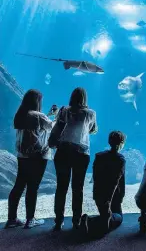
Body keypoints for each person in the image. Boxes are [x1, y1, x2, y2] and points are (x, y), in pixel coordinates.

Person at [5, 89, 58, 229]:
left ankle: (11, 219)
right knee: (33, 187)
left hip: (23, 156)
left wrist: (49, 115)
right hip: (37, 156)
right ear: (37, 101)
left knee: (19, 185)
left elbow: (37, 127)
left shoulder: (21, 115)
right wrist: (57, 116)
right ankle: (30, 219)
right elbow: (51, 127)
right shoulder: (38, 116)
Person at [52, 87, 98, 231]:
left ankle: (58, 220)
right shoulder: (90, 113)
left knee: (61, 187)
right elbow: (93, 129)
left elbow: (58, 126)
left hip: (63, 151)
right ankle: (76, 220)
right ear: (85, 98)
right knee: (77, 188)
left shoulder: (63, 110)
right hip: (81, 153)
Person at [80, 131, 126, 237]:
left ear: (109, 141)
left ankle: (93, 221)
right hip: (112, 196)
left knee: (107, 215)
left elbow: (95, 176)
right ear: (122, 143)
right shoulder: (120, 159)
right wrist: (109, 200)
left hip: (98, 194)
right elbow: (116, 181)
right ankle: (90, 221)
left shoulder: (99, 156)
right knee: (118, 218)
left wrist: (97, 194)